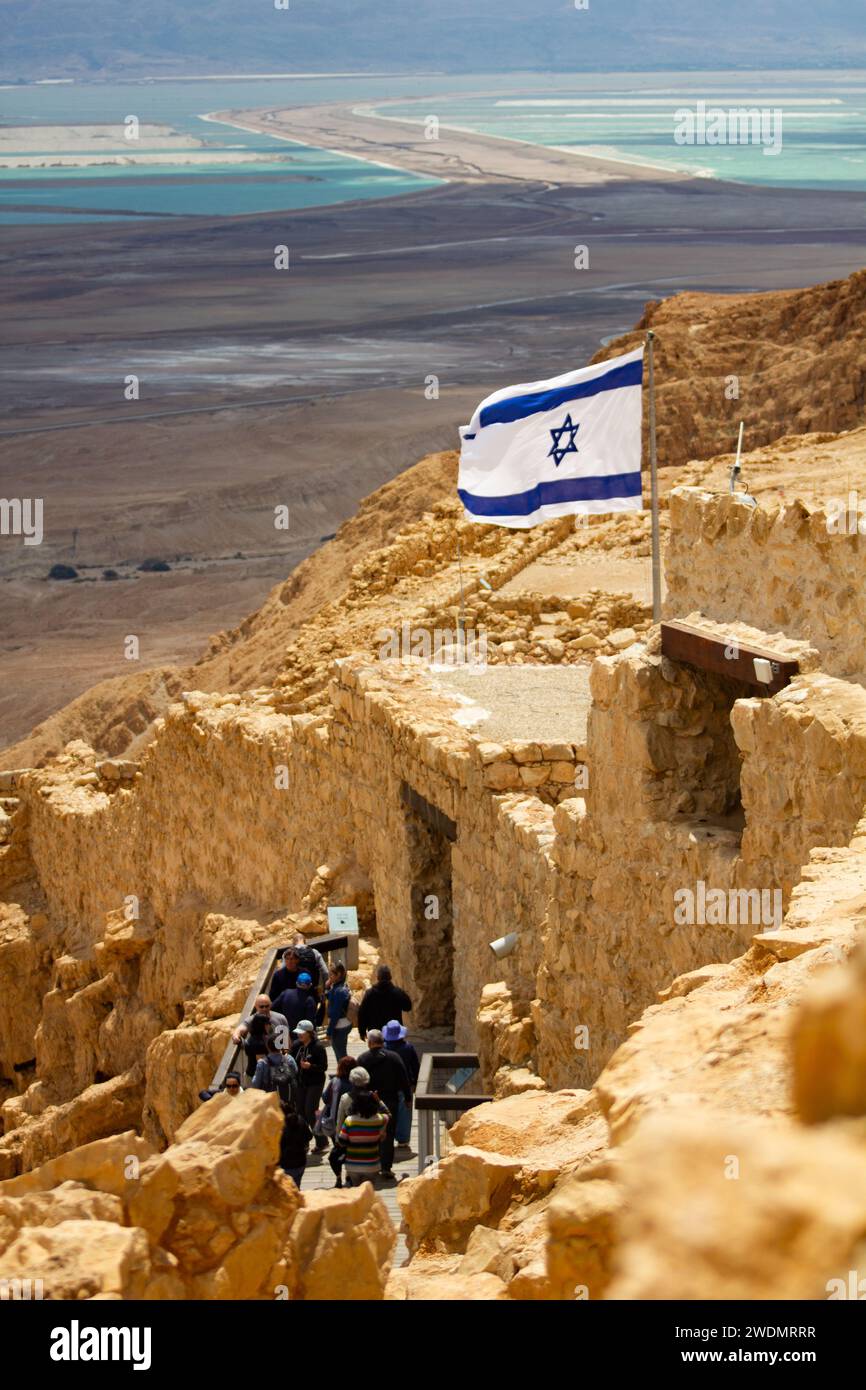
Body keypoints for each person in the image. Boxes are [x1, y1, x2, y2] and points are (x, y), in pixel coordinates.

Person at [356, 1028, 412, 1179]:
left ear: (370, 1042)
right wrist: (408, 1098)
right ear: (382, 1041)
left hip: (368, 1100)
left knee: (369, 1131)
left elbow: (357, 1080)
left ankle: (371, 1164)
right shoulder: (394, 1057)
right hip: (390, 1100)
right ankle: (386, 1167)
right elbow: (403, 1078)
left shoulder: (362, 1059)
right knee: (388, 1133)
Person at [337, 1089, 389, 1188]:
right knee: (368, 1193)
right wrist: (379, 1101)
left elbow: (342, 1141)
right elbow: (388, 1114)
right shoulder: (378, 1119)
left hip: (353, 1165)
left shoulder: (349, 1121)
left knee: (357, 1192)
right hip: (372, 1165)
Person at [291, 1020, 329, 1152]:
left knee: (310, 1111)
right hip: (301, 1082)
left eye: (302, 1033)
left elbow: (324, 1067)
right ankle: (305, 1141)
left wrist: (310, 1067)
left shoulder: (318, 1047)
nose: (299, 1035)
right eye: (298, 1033)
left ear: (309, 1033)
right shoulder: (296, 1045)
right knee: (300, 1112)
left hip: (315, 1082)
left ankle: (322, 1141)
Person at [231, 995, 290, 1078]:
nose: (264, 1009)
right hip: (259, 1071)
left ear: (271, 1004)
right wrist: (236, 1035)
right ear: (256, 1006)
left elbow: (287, 1040)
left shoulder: (281, 1018)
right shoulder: (252, 1020)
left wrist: (285, 1058)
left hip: (278, 1067)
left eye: (267, 1006)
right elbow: (241, 1028)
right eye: (261, 1006)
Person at [382, 1021, 420, 1147]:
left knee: (386, 1111)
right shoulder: (408, 1048)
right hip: (405, 1085)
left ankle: (387, 1136)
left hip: (387, 1085)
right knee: (404, 1113)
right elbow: (415, 1067)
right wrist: (415, 1082)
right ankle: (403, 1140)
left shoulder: (383, 1049)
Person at [322, 1056, 357, 1187]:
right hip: (353, 1123)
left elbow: (325, 1098)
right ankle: (349, 1175)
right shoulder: (356, 1083)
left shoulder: (334, 1081)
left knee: (337, 1151)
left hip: (336, 1121)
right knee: (350, 1151)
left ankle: (338, 1177)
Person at [357, 965, 412, 1041]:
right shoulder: (397, 992)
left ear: (378, 978)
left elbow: (362, 1013)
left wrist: (362, 1031)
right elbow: (408, 1007)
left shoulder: (370, 993)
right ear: (390, 977)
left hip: (376, 1034)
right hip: (393, 1033)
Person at [250, 1040, 299, 1104]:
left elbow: (256, 1084)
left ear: (268, 1047)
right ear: (281, 1046)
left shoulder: (262, 1063)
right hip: (288, 1100)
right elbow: (295, 1072)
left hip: (270, 1102)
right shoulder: (289, 1059)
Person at [279, 1098, 312, 1189]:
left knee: (289, 1193)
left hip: (286, 1166)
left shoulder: (279, 1126)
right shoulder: (300, 1119)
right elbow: (309, 1136)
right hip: (301, 1163)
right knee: (296, 1188)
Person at [325, 962, 352, 1062]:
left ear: (339, 974)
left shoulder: (339, 991)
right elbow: (331, 998)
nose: (329, 977)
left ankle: (344, 1073)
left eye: (331, 974)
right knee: (341, 1051)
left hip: (339, 1025)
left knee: (340, 1053)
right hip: (343, 1024)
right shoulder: (339, 987)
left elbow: (335, 1013)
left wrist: (329, 1031)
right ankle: (342, 1071)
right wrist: (327, 987)